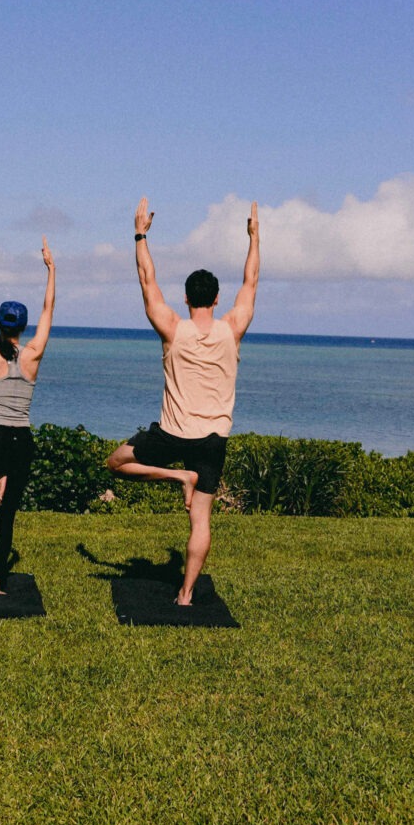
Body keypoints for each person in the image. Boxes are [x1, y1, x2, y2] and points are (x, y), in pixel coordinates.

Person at [107, 197, 260, 606]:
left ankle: (178, 478)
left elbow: (146, 279)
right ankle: (186, 595)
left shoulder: (173, 328)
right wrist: (253, 238)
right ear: (214, 300)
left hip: (172, 436)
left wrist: (140, 234)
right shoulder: (233, 329)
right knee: (202, 520)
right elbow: (251, 283)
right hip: (212, 439)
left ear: (188, 299)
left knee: (116, 463)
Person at [0, 233, 56, 594]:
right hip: (21, 438)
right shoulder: (32, 355)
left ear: (0, 324)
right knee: (7, 517)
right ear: (22, 326)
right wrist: (51, 270)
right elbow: (49, 310)